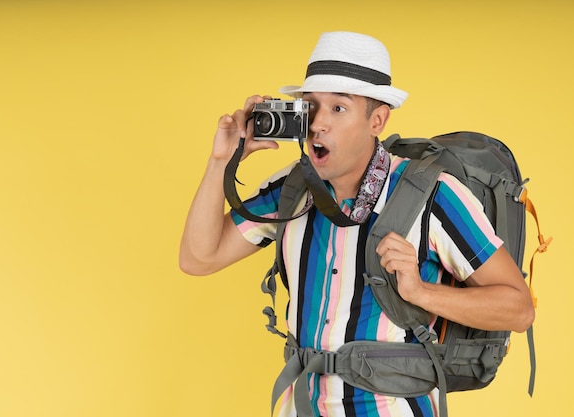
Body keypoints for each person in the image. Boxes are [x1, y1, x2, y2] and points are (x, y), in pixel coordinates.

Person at [179, 31, 535, 417]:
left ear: (377, 120)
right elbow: (199, 258)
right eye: (310, 107)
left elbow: (518, 309)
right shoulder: (291, 189)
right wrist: (221, 162)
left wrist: (421, 292)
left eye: (339, 108)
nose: (318, 124)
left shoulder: (433, 196)